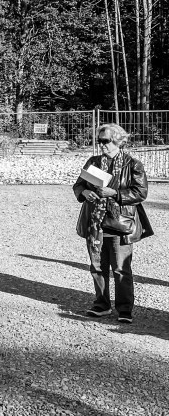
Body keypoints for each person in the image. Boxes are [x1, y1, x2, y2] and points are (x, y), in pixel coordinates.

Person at [72, 122, 153, 324]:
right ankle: (102, 305)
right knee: (97, 267)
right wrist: (84, 192)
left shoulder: (132, 164)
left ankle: (124, 309)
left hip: (120, 223)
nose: (101, 145)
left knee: (120, 269)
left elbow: (140, 192)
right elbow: (78, 185)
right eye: (99, 141)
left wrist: (115, 193)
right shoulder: (93, 162)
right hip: (95, 223)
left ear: (118, 141)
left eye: (105, 141)